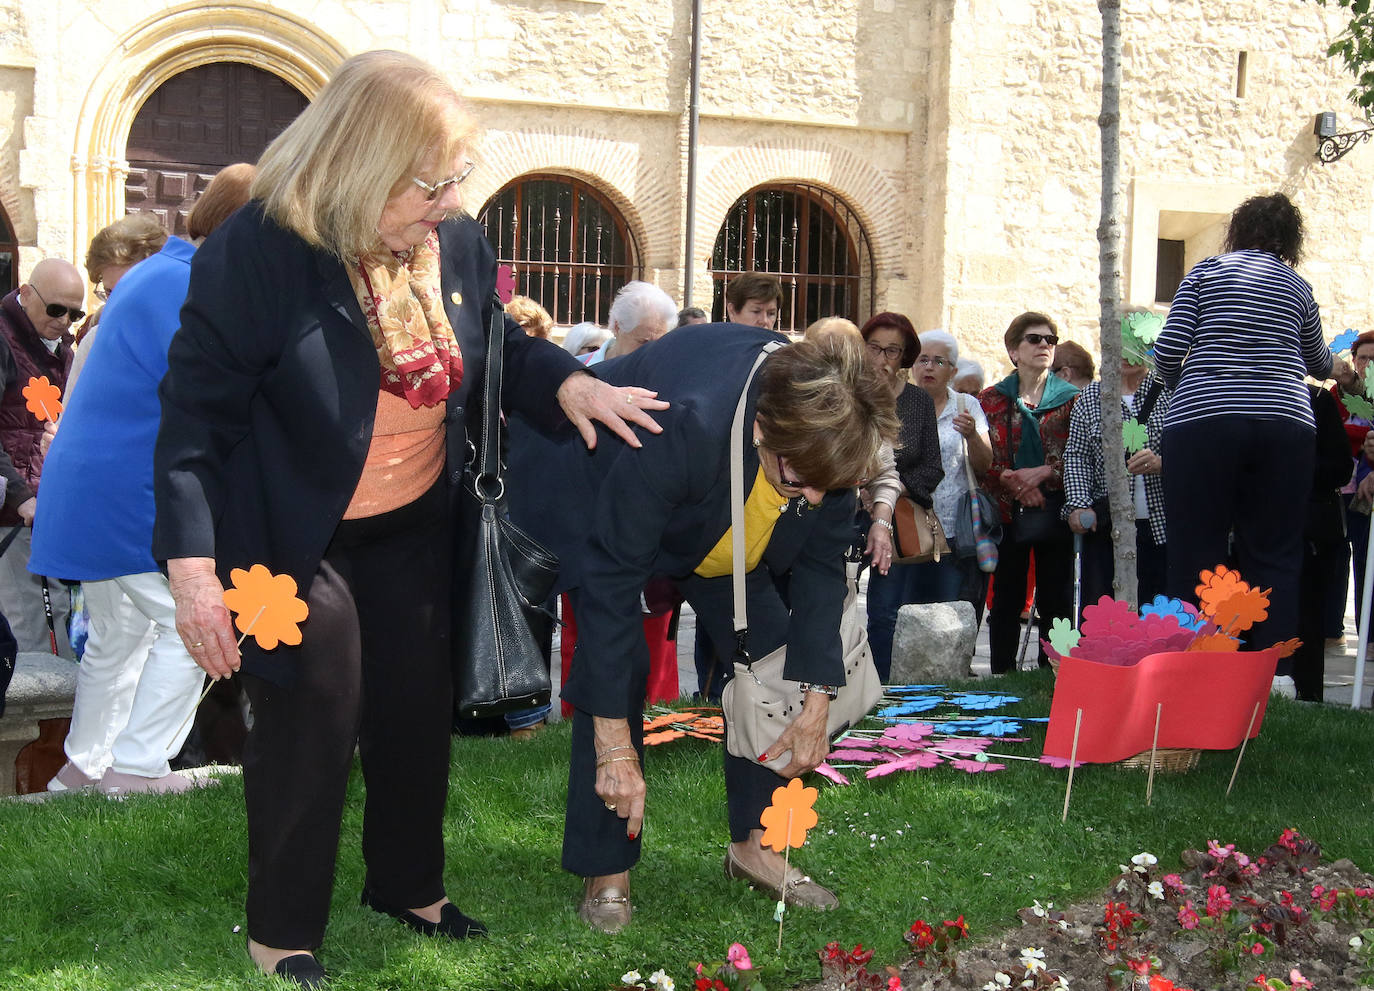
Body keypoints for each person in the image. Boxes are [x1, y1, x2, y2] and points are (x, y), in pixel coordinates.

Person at [151, 50, 664, 987]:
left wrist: (575, 385)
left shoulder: (453, 243)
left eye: (454, 178)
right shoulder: (262, 247)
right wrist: (192, 571)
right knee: (315, 711)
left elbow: (501, 341)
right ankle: (282, 928)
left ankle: (408, 886)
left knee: (414, 711)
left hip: (416, 521)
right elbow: (195, 418)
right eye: (429, 182)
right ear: (359, 161)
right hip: (288, 541)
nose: (448, 199)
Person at [506, 326, 896, 932]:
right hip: (607, 489)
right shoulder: (690, 426)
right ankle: (606, 866)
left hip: (721, 535)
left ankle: (754, 846)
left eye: (830, 487)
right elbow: (611, 591)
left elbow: (821, 577)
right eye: (799, 483)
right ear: (763, 431)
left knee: (774, 650)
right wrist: (615, 745)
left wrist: (818, 702)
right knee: (620, 667)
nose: (815, 499)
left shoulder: (826, 441)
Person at [31, 226, 206, 794]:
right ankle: (136, 767)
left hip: (86, 497)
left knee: (116, 633)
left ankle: (83, 769)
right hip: (125, 498)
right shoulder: (167, 299)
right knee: (190, 628)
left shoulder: (103, 330)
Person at [1154, 192, 1331, 667]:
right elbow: (1317, 361)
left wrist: (1184, 387)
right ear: (1290, 238)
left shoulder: (1205, 274)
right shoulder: (1297, 285)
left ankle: (1192, 666)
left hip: (1204, 422)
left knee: (1196, 547)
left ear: (1238, 231)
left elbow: (1167, 353)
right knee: (1274, 551)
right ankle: (1274, 675)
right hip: (1285, 424)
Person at [980, 312, 1078, 673]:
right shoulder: (990, 401)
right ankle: (1002, 671)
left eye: (1050, 340)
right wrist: (1018, 485)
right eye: (1034, 339)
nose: (1044, 346)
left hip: (1058, 511)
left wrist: (1045, 473)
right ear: (1013, 350)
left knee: (1057, 598)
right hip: (1008, 512)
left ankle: (1055, 670)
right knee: (1006, 596)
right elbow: (982, 459)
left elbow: (1084, 457)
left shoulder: (1073, 400)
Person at [0, 258, 82, 657]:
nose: (65, 320)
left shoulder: (64, 352)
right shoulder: (2, 337)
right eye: (56, 309)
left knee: (59, 623)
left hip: (50, 515)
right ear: (27, 294)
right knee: (28, 634)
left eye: (75, 312)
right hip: (12, 519)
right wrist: (19, 496)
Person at [1062, 322, 1170, 612]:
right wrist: (1078, 504)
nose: (1126, 353)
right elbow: (1077, 456)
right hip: (1107, 525)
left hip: (1161, 525)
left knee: (1159, 610)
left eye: (1136, 344)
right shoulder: (1091, 397)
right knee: (1106, 612)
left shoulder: (1173, 392)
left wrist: (1163, 464)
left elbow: (1195, 451)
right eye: (1118, 343)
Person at [858, 312, 943, 681]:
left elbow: (932, 468)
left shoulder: (918, 402)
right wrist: (859, 489)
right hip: (842, 513)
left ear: (904, 356)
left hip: (894, 520)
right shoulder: (848, 394)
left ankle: (880, 685)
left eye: (892, 351)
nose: (881, 359)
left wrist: (888, 491)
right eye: (874, 348)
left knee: (885, 610)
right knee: (829, 605)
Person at [911, 329, 992, 609]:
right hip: (907, 530)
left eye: (938, 361)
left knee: (950, 614)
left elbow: (984, 465)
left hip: (953, 533)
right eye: (922, 359)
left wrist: (971, 436)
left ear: (952, 371)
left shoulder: (966, 405)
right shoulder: (898, 405)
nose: (929, 367)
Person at [1292, 384, 1351, 701]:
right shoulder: (1244, 398)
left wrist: (1286, 471)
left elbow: (1341, 468)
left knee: (1308, 616)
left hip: (1310, 531)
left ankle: (1307, 693)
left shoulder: (1317, 400)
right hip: (1255, 525)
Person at [68, 215, 168, 395]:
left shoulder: (184, 343)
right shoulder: (94, 343)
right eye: (109, 292)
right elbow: (69, 417)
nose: (115, 305)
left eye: (127, 291)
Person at [584, 281, 677, 364]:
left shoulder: (669, 374)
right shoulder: (578, 371)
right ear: (618, 327)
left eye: (659, 344)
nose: (652, 352)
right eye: (644, 342)